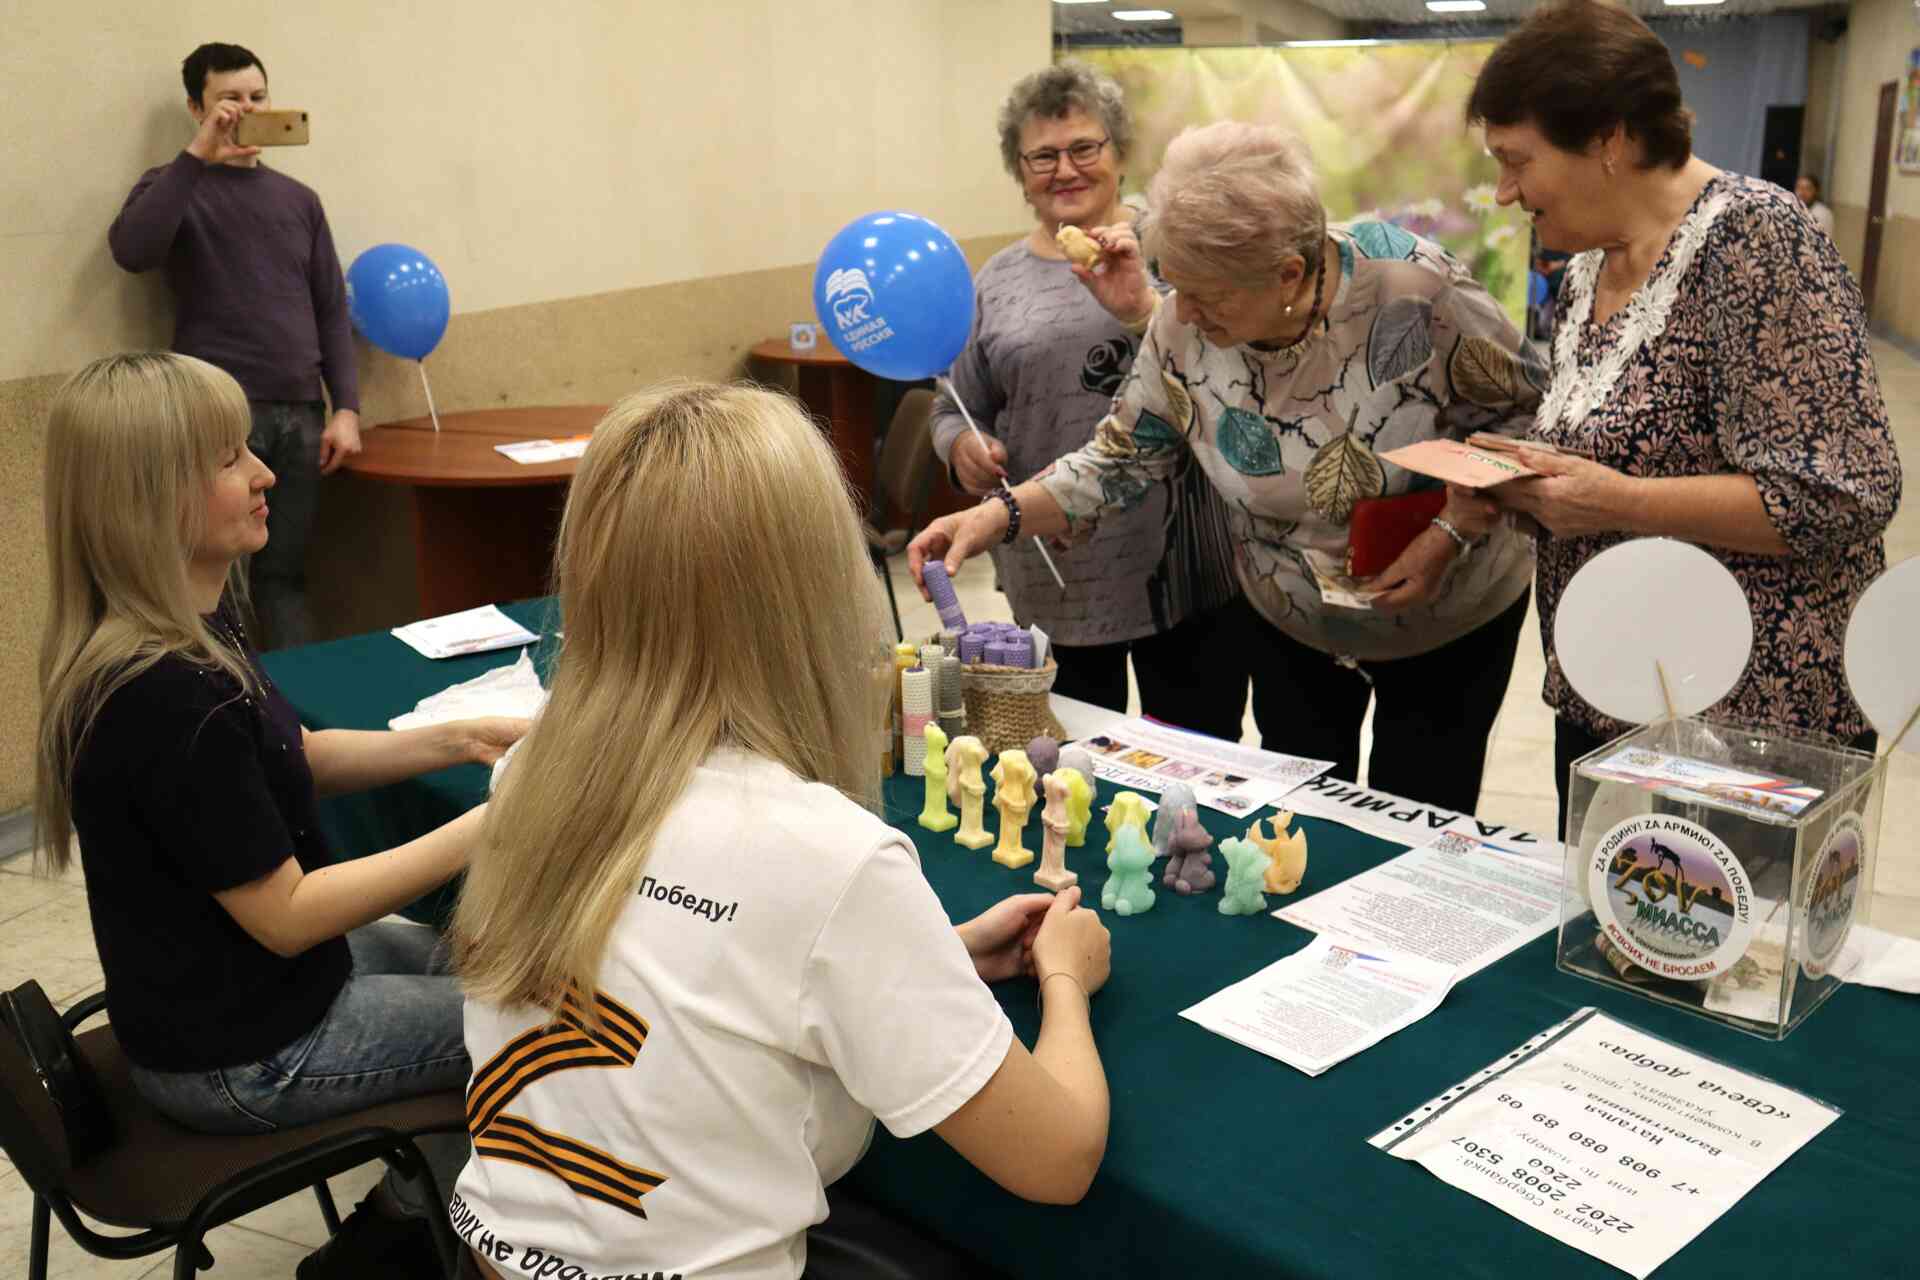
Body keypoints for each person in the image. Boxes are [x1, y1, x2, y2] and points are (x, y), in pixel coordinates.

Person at [450, 383, 1113, 1280]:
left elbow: (685, 969)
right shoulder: (826, 854)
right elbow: (1060, 1160)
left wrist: (935, 954)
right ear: (809, 593)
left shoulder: (532, 772)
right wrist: (1067, 976)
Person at [33, 352, 527, 1277]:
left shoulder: (187, 630)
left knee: (514, 965)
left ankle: (411, 1211)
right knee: (537, 1029)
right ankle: (429, 1244)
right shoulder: (170, 698)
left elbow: (294, 759)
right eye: (230, 458)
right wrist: (491, 824)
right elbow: (290, 914)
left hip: (243, 1003)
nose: (266, 473)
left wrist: (460, 739)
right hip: (246, 1056)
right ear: (150, 497)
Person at [911, 121, 1544, 815]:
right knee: (1301, 819)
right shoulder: (1182, 323)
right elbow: (1118, 458)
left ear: (1289, 275)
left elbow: (1527, 417)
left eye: (1207, 294)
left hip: (1445, 614)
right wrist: (994, 516)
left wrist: (1452, 528)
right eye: (1175, 286)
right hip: (1291, 619)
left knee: (1422, 816)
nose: (1183, 311)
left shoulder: (1415, 288)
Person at [1464, 0, 1900, 829]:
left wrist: (1618, 502)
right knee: (1600, 947)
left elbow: (1845, 493)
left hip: (1744, 726)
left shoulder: (1755, 240)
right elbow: (1615, 453)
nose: (1504, 192)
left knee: (1711, 949)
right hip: (1610, 700)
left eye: (1518, 160)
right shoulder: (1588, 268)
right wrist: (1521, 484)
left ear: (1609, 139)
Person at [936, 64, 1248, 736]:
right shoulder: (994, 283)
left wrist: (1146, 304)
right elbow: (952, 407)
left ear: (1120, 152)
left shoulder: (1176, 248)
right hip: (1057, 576)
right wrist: (960, 446)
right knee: (1074, 771)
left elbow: (1236, 367)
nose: (1065, 169)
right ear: (1020, 172)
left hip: (1185, 568)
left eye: (1085, 147)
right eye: (1043, 155)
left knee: (1201, 764)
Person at [109, 42, 362, 650]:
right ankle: (229, 703)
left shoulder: (298, 200)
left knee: (286, 576)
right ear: (197, 107)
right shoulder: (172, 186)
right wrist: (199, 155)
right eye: (229, 100)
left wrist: (346, 407)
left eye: (256, 98)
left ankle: (302, 720)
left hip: (302, 414)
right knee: (220, 584)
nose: (244, 110)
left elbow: (330, 307)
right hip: (221, 417)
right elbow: (133, 251)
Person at [1794, 174, 1836, 240]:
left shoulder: (1822, 213)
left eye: (1807, 189)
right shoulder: (1794, 208)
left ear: (1816, 191)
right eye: (1799, 188)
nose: (1802, 192)